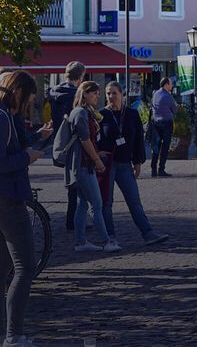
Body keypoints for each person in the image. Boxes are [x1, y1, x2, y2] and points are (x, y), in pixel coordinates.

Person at [0, 71, 53, 347]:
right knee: (25, 266)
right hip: (8, 198)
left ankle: (6, 334)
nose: (27, 106)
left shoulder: (6, 116)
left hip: (7, 196)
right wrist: (27, 156)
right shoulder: (2, 116)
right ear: (19, 92)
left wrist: (35, 139)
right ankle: (14, 335)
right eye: (28, 100)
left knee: (5, 266)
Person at [96, 82, 169, 248]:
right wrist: (97, 153)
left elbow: (138, 140)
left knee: (134, 200)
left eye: (114, 93)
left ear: (122, 94)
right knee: (106, 202)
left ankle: (148, 233)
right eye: (108, 93)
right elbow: (93, 138)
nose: (111, 97)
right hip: (107, 164)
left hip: (124, 163)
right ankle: (110, 237)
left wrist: (138, 161)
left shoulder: (131, 114)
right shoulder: (101, 115)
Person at [65, 81, 116, 253]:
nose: (98, 96)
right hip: (83, 165)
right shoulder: (80, 113)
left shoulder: (83, 112)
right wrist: (97, 160)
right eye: (95, 93)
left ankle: (80, 242)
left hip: (82, 164)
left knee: (82, 204)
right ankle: (107, 240)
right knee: (96, 203)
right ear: (85, 94)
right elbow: (85, 140)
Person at [47, 61, 82, 232]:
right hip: (75, 140)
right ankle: (74, 219)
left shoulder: (53, 92)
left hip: (60, 140)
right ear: (80, 76)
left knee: (72, 179)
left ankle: (73, 218)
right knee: (78, 179)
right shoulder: (76, 95)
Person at [149, 77, 177, 177]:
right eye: (170, 84)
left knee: (156, 146)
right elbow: (174, 110)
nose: (172, 85)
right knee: (165, 147)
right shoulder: (168, 96)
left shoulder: (155, 94)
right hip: (166, 123)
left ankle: (153, 169)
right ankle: (161, 169)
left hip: (156, 123)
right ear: (166, 85)